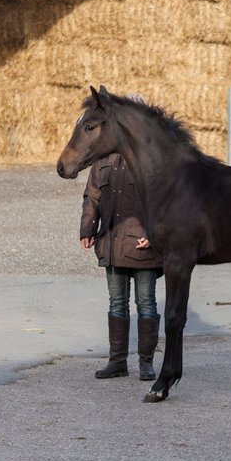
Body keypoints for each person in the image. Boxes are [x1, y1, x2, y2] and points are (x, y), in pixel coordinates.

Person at [79, 153, 162, 380]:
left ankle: (146, 363)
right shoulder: (102, 161)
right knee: (117, 303)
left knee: (146, 303)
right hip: (112, 245)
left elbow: (162, 200)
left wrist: (152, 233)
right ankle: (117, 362)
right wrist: (87, 228)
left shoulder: (148, 159)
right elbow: (91, 198)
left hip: (143, 248)